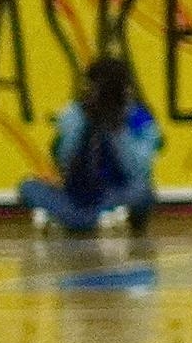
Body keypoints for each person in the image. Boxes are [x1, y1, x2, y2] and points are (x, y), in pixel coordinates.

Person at [19, 57, 160, 234]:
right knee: (28, 187)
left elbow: (138, 171)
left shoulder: (139, 118)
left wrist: (117, 129)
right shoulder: (74, 114)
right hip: (75, 198)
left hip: (115, 194)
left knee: (143, 191)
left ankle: (77, 219)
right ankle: (92, 219)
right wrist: (81, 125)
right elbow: (63, 163)